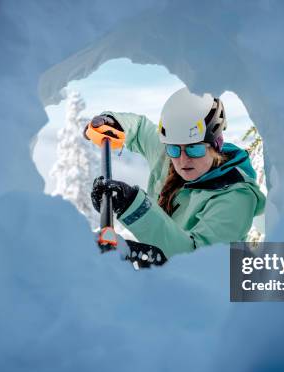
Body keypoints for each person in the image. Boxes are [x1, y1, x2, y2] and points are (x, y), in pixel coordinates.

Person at [86, 87, 266, 259]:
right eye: (174, 149)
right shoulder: (170, 157)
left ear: (216, 145)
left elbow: (198, 260)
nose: (182, 160)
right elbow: (140, 129)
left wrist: (133, 205)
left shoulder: (237, 198)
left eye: (194, 149)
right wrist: (114, 123)